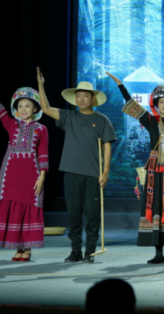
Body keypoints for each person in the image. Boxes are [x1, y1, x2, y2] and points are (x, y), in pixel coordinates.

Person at [106, 72, 164, 265]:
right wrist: (121, 86)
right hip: (155, 173)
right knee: (155, 209)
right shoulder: (151, 122)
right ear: (156, 104)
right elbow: (133, 106)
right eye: (161, 102)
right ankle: (158, 254)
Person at [37, 68, 116, 264]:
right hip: (71, 173)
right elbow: (45, 109)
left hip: (93, 174)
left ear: (93, 99)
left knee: (93, 214)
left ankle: (90, 251)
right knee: (73, 214)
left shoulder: (102, 120)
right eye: (78, 96)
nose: (81, 99)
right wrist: (41, 85)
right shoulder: (68, 116)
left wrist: (105, 171)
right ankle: (75, 251)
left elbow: (107, 145)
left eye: (85, 96)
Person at [0, 79, 48, 260]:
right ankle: (18, 247)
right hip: (11, 176)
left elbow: (43, 155)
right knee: (13, 209)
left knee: (29, 209)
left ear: (35, 108)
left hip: (31, 176)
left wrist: (42, 178)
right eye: (20, 106)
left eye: (27, 106)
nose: (23, 109)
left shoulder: (41, 129)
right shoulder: (11, 124)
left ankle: (27, 248)